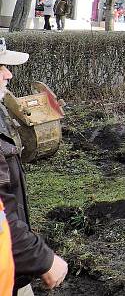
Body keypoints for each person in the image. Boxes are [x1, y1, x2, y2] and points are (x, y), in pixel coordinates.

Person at [0, 39, 68, 294]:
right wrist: (43, 260)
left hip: (13, 267)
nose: (9, 74)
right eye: (0, 68)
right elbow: (1, 215)